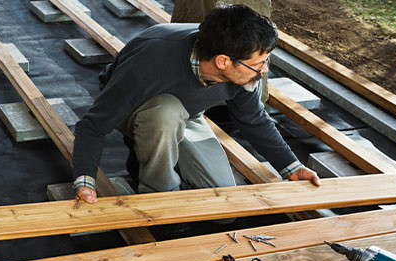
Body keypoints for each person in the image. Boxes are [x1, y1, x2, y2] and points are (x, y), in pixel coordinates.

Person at [71, 4, 321, 205]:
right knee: (165, 111)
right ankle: (159, 195)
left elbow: (253, 120)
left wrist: (291, 167)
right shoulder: (150, 64)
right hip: (137, 106)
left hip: (187, 112)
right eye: (259, 64)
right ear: (223, 61)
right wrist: (85, 181)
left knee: (220, 198)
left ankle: (160, 154)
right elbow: (93, 126)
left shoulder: (242, 66)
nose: (264, 70)